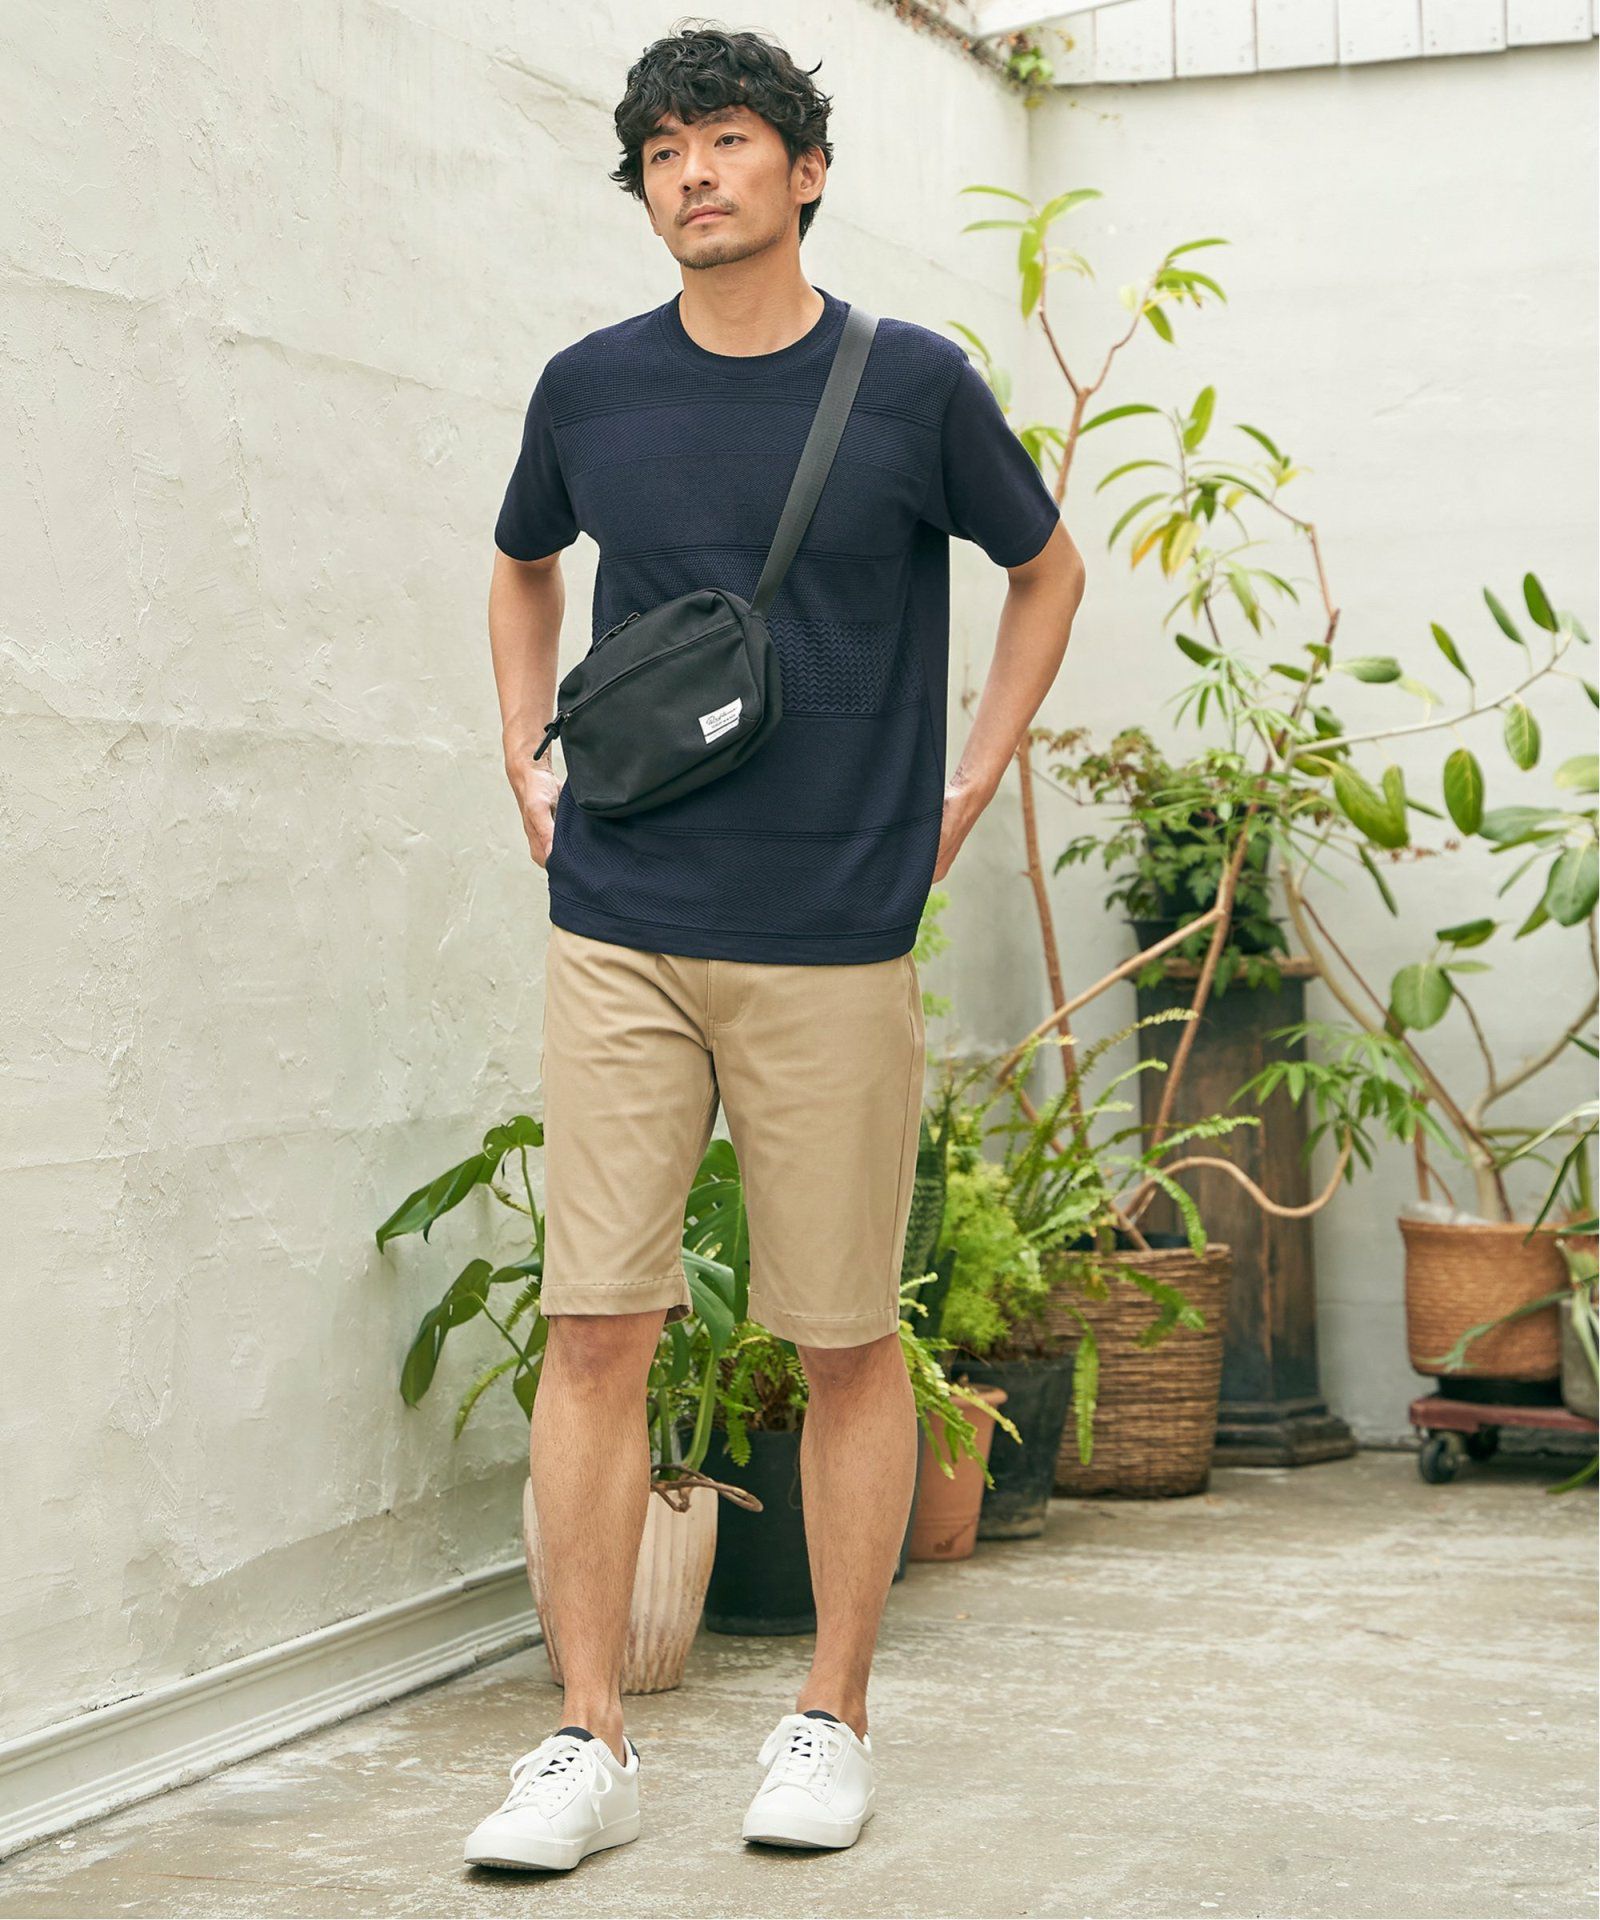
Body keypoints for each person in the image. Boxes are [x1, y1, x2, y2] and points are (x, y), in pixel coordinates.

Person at [467, 21, 1086, 1874]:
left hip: (832, 931)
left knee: (841, 1337)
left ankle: (831, 1714)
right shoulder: (589, 388)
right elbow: (522, 562)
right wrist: (522, 749)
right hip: (624, 921)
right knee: (598, 1327)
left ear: (804, 172)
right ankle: (585, 1737)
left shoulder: (912, 388)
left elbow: (1045, 568)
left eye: (727, 140)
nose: (693, 174)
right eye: (663, 151)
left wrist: (969, 782)